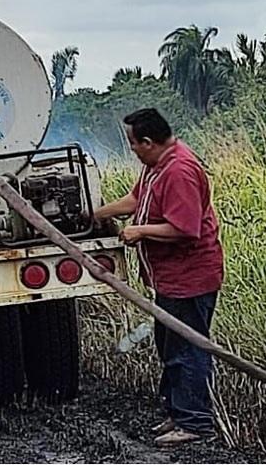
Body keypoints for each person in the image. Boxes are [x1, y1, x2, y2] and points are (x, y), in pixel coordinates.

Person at [93, 108, 224, 446]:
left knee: (188, 349)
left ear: (149, 142)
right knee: (168, 347)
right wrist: (95, 214)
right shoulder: (155, 167)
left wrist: (140, 232)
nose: (132, 149)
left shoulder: (179, 170)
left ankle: (195, 423)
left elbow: (185, 229)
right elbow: (136, 199)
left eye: (133, 143)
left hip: (189, 278)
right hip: (168, 279)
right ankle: (177, 414)